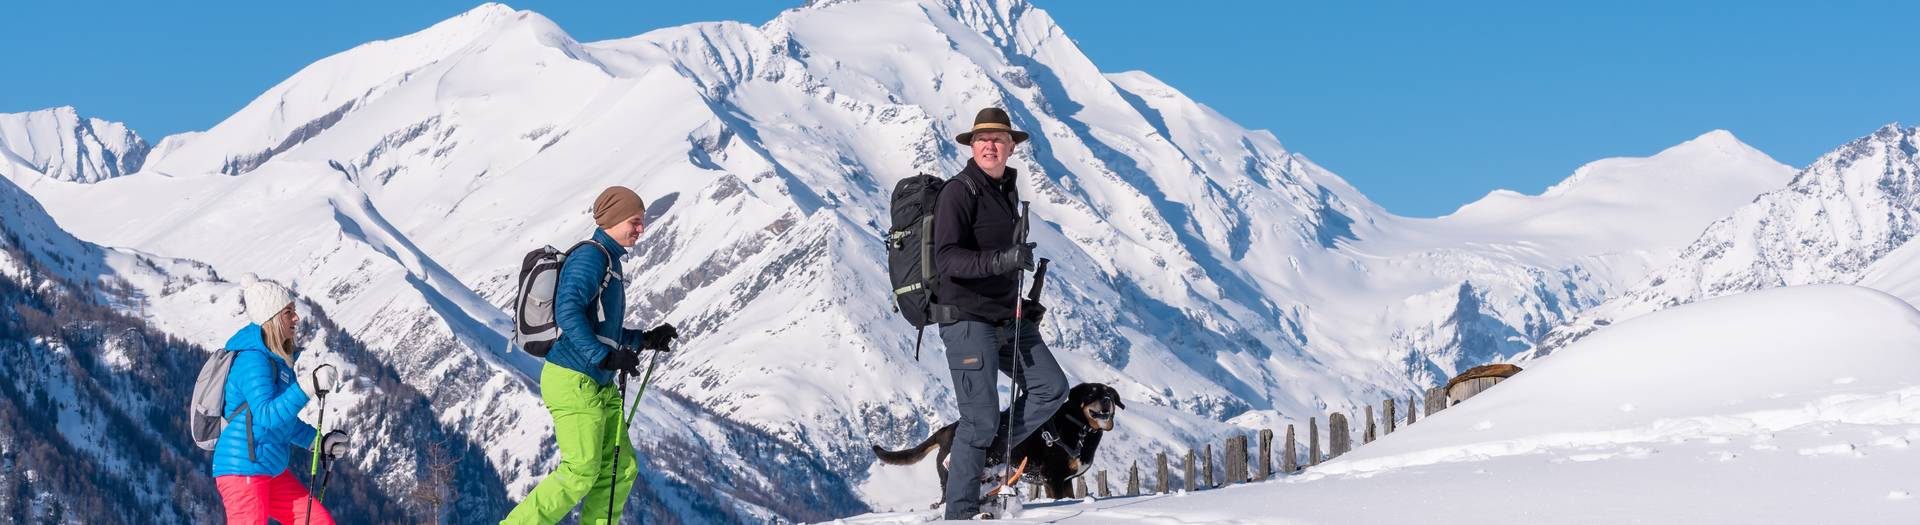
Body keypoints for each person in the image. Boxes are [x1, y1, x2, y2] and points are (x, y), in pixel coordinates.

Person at [504, 186, 679, 525]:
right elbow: (567, 312)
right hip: (574, 380)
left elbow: (602, 328)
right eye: (635, 221)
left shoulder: (609, 260)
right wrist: (603, 356)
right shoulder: (591, 257)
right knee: (580, 471)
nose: (641, 229)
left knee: (620, 470)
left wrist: (644, 339)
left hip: (597, 382)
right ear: (613, 220)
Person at [933, 107, 1067, 519]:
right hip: (967, 320)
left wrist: (1021, 303)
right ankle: (961, 511)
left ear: (1011, 147)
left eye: (998, 139)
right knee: (979, 420)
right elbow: (948, 259)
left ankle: (984, 456)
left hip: (1007, 317)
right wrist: (1002, 260)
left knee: (1050, 388)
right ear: (972, 146)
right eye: (982, 139)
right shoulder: (960, 191)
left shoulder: (1007, 192)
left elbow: (1002, 263)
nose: (990, 145)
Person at [213, 276, 349, 524]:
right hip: (243, 469)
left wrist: (319, 442)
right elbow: (266, 415)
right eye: (289, 312)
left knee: (318, 521)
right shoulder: (253, 361)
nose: (296, 318)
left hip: (268, 467)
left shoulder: (277, 363)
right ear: (272, 318)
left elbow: (281, 421)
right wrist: (308, 386)